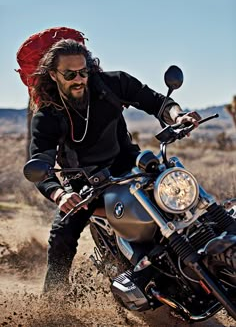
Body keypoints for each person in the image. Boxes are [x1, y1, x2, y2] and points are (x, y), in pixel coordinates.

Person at [27, 38, 201, 297]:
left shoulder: (112, 84)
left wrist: (178, 116)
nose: (79, 79)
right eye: (70, 74)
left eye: (83, 71)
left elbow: (156, 102)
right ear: (53, 75)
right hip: (85, 183)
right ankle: (53, 303)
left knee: (182, 196)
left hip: (129, 164)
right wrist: (60, 194)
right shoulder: (48, 116)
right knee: (62, 235)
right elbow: (39, 160)